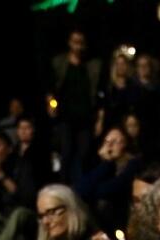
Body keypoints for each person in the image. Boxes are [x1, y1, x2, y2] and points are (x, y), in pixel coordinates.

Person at [53, 29, 101, 184]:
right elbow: (51, 88)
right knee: (66, 153)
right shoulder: (60, 63)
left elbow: (98, 93)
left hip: (85, 117)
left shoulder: (92, 65)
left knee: (84, 155)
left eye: (81, 42)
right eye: (75, 42)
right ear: (69, 43)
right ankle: (63, 186)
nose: (78, 46)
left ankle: (81, 189)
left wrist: (99, 118)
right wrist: (51, 104)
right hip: (66, 117)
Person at [77, 126, 142, 235]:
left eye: (115, 141)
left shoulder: (132, 163)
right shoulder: (97, 164)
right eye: (107, 141)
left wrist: (107, 163)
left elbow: (109, 189)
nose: (109, 146)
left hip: (121, 219)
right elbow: (80, 190)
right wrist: (106, 163)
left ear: (124, 144)